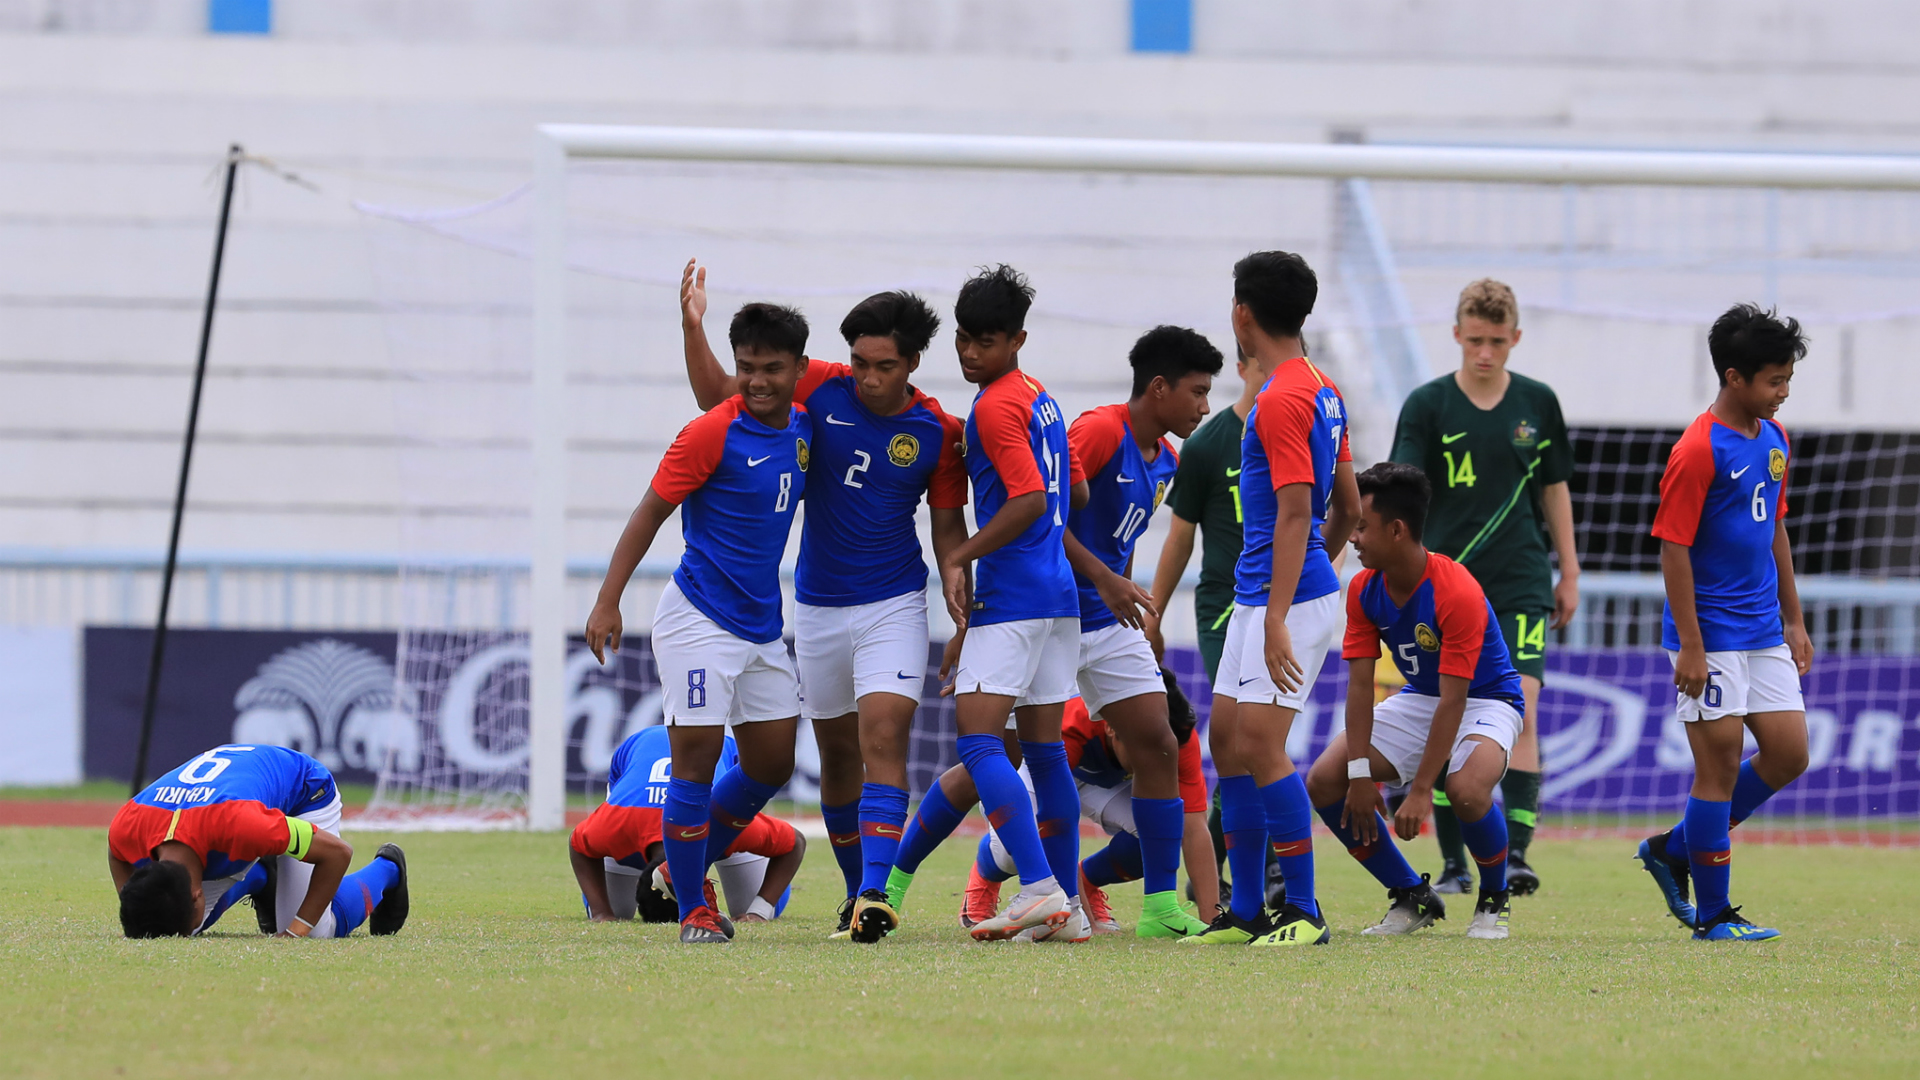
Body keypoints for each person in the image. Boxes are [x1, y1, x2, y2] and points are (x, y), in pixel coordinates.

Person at [678, 263, 968, 942]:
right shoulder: (820, 386)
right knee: (837, 755)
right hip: (815, 607)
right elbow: (718, 396)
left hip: (895, 604)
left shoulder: (938, 431)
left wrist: (962, 602)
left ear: (912, 363)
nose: (868, 378)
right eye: (860, 363)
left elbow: (950, 533)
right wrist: (693, 327)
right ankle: (847, 891)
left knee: (883, 738)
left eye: (884, 366)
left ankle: (874, 893)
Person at [585, 301, 813, 944]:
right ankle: (693, 910)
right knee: (696, 763)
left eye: (772, 368)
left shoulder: (804, 428)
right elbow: (649, 512)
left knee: (770, 764)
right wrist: (608, 599)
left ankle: (677, 864)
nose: (757, 381)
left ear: (799, 368)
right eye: (746, 368)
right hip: (698, 622)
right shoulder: (710, 432)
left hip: (761, 626)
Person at [883, 264, 1082, 942]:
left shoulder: (995, 407)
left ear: (1018, 339)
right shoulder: (1039, 397)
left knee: (976, 741)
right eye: (963, 339)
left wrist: (960, 556)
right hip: (1057, 596)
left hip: (1016, 594)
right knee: (1046, 754)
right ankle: (1068, 907)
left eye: (985, 342)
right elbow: (1069, 492)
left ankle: (1038, 889)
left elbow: (1028, 500)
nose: (970, 353)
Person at [1185, 251, 1359, 948]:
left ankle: (1305, 912)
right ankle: (1249, 910)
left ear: (1241, 314)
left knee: (1260, 745)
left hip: (1275, 600)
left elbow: (1296, 511)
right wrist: (1314, 571)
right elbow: (1348, 507)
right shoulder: (1322, 387)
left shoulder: (1284, 397)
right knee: (1228, 742)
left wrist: (1285, 610)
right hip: (1264, 594)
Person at [1389, 279, 1578, 896]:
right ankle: (1453, 865)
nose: (1486, 352)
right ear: (1456, 335)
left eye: (1497, 341)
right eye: (1475, 340)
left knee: (1523, 710)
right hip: (1449, 587)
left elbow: (1553, 488)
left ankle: (1516, 855)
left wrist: (1570, 570)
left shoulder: (1538, 402)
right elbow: (1403, 491)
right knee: (1452, 711)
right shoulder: (1428, 405)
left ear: (1515, 337)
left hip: (1521, 580)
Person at [1036, 323, 1222, 940]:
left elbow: (1124, 538)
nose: (1204, 406)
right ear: (1159, 387)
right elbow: (1042, 515)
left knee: (1160, 743)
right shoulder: (1097, 431)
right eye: (1198, 391)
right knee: (1002, 761)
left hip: (1110, 620)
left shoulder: (1167, 461)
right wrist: (1105, 579)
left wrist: (1133, 603)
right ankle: (894, 885)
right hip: (1050, 614)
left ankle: (1160, 909)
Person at [1635, 304, 1812, 942]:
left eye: (1788, 379)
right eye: (1774, 380)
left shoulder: (1775, 437)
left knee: (1790, 754)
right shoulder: (1697, 449)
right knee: (1719, 769)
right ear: (1734, 377)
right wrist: (1690, 643)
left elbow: (1775, 528)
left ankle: (1673, 849)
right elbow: (1673, 547)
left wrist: (1794, 619)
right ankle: (1713, 916)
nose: (1784, 391)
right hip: (1709, 635)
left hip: (1763, 629)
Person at [1304, 462, 1525, 941]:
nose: (1352, 538)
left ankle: (1494, 896)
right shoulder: (1363, 588)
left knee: (1466, 791)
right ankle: (1412, 895)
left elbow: (1455, 700)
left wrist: (1422, 790)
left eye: (1361, 526)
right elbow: (1359, 688)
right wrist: (1359, 774)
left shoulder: (1457, 591)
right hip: (1424, 696)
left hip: (1488, 700)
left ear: (1397, 530)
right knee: (1323, 781)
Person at [1145, 342, 1286, 916]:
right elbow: (1180, 538)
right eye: (1265, 366)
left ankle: (1218, 864)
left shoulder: (1299, 429)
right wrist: (1153, 613)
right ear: (1244, 368)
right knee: (1246, 734)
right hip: (1227, 610)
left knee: (1254, 741)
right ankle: (1272, 871)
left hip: (1286, 608)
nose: (1276, 377)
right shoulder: (1207, 444)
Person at [963, 672, 1213, 937]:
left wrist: (1212, 923)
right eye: (1145, 746)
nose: (1153, 757)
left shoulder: (1176, 739)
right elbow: (1056, 825)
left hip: (1101, 783)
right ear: (1111, 727)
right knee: (1021, 847)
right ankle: (986, 872)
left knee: (1161, 835)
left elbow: (1195, 828)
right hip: (1047, 774)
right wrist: (1087, 921)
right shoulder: (1071, 725)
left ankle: (1089, 880)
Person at [109, 744, 408, 939]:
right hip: (234, 805)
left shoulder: (242, 826)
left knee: (315, 932)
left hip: (304, 792)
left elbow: (337, 854)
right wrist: (136, 901)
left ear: (196, 894)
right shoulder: (127, 827)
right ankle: (260, 875)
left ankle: (388, 868)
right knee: (184, 924)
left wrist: (295, 932)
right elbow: (115, 852)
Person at [569, 726, 805, 927]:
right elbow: (577, 845)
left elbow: (795, 843)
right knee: (616, 910)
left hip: (719, 753)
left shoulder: (723, 821)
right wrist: (602, 912)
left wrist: (760, 911)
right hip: (635, 754)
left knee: (750, 904)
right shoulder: (616, 824)